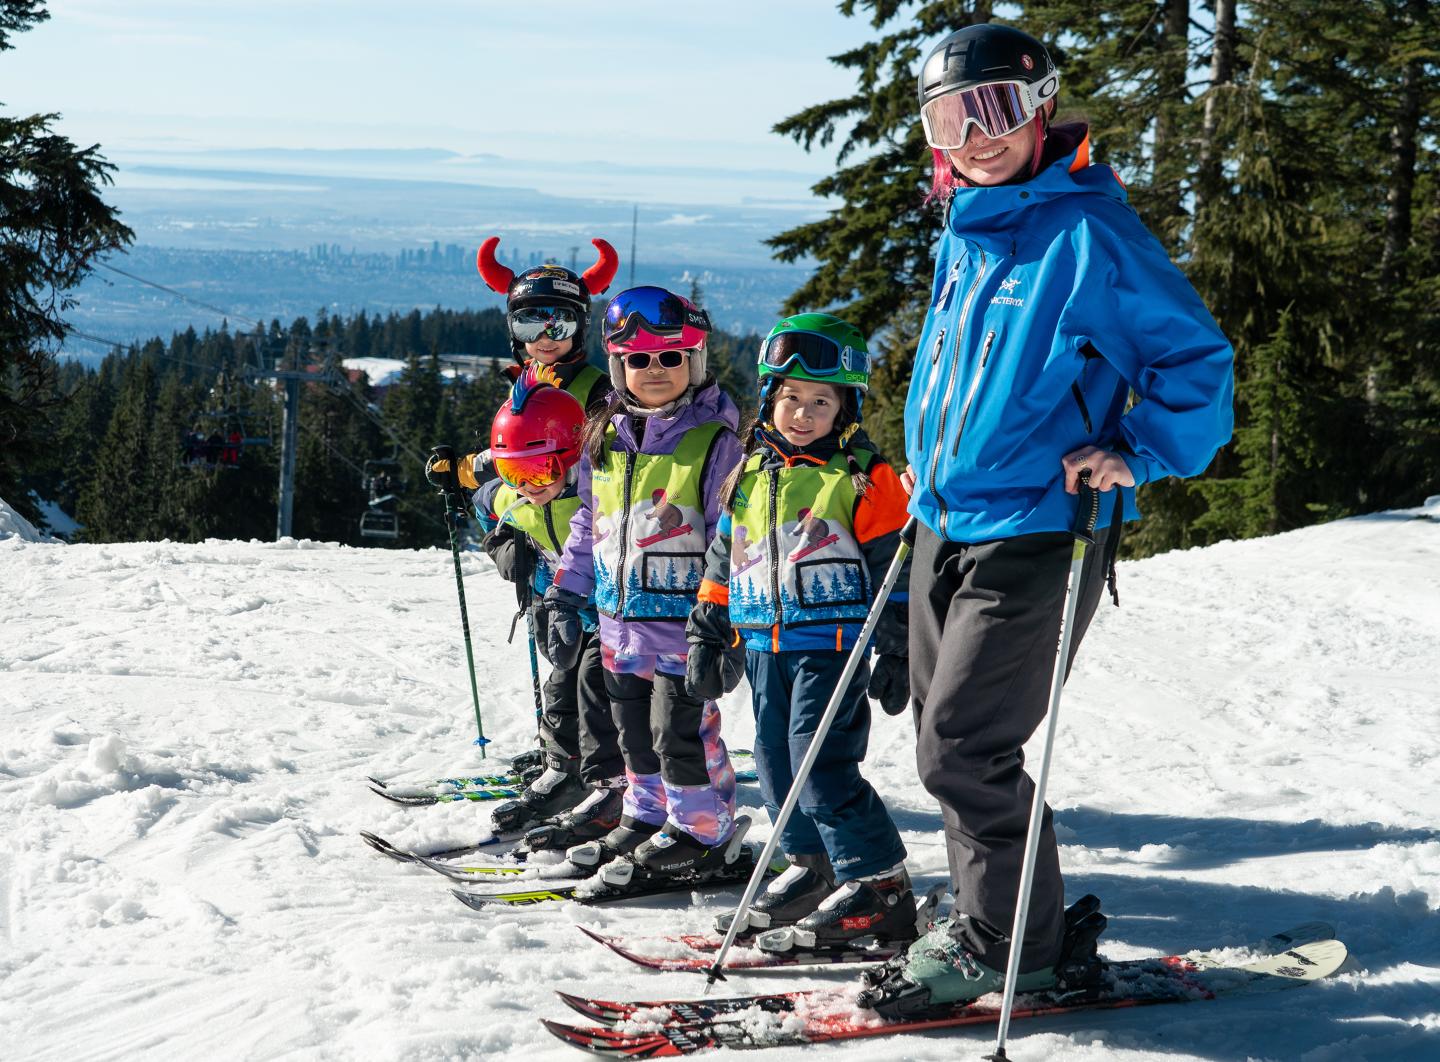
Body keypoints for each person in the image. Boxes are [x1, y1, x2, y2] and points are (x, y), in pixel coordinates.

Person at [885, 23, 1236, 1008]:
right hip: (943, 523)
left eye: (996, 107)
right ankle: (995, 918)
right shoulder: (970, 224)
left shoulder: (1090, 235)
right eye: (953, 115)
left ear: (1041, 109)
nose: (976, 133)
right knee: (940, 737)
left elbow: (1197, 363)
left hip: (1039, 528)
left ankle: (1009, 948)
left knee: (964, 746)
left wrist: (1138, 448)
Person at [686, 313, 917, 952]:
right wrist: (709, 628)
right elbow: (723, 555)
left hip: (832, 649)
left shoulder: (865, 478)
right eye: (790, 398)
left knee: (822, 766)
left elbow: (894, 573)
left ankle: (880, 885)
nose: (802, 413)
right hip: (763, 645)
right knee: (774, 762)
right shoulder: (749, 474)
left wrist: (898, 647)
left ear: (846, 408)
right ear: (770, 400)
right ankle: (813, 868)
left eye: (821, 401)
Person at [545, 286, 744, 878]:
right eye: (638, 359)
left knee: (680, 732)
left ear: (695, 361)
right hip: (617, 619)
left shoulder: (716, 442)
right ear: (618, 365)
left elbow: (730, 537)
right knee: (632, 731)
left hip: (684, 625)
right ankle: (649, 814)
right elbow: (589, 519)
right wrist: (566, 588)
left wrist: (719, 618)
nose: (654, 370)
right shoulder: (606, 437)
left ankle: (703, 830)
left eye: (669, 357)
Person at [472, 365, 627, 842]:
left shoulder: (594, 492)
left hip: (608, 611)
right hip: (559, 610)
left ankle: (611, 787)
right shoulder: (515, 496)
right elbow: (483, 503)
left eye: (540, 469)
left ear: (572, 455)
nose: (528, 484)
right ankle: (564, 771)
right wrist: (502, 546)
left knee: (596, 691)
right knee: (560, 691)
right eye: (513, 471)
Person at [476, 236, 617, 412]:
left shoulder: (602, 391)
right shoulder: (520, 383)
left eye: (559, 327)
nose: (544, 340)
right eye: (529, 327)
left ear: (580, 327)